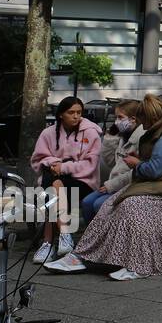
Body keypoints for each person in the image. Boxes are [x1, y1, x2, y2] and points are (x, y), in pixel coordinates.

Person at [45, 94, 162, 280]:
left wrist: (136, 163)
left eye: (142, 119)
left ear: (150, 117)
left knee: (131, 207)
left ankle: (139, 263)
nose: (141, 124)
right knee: (110, 205)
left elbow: (154, 170)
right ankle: (82, 256)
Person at [30, 96, 103, 264]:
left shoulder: (91, 133)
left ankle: (48, 244)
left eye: (79, 112)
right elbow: (37, 159)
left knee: (52, 191)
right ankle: (64, 234)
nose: (76, 116)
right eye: (71, 112)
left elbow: (90, 165)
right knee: (54, 186)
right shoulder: (48, 133)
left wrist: (64, 167)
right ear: (61, 114)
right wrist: (53, 163)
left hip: (83, 180)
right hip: (55, 178)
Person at [84, 100, 144, 224]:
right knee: (87, 202)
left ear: (133, 119)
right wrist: (110, 138)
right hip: (115, 184)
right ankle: (92, 237)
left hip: (129, 186)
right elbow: (111, 162)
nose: (117, 121)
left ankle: (107, 239)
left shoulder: (141, 138)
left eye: (120, 117)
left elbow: (137, 172)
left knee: (99, 204)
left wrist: (110, 186)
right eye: (116, 117)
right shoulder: (125, 135)